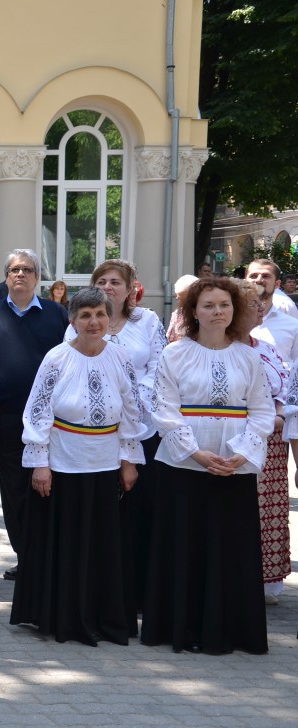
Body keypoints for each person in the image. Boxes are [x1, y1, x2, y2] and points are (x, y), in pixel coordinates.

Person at [141, 277, 273, 655]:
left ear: (234, 310)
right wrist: (196, 453)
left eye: (224, 305)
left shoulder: (249, 356)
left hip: (234, 468)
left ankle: (228, 630)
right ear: (193, 311)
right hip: (184, 468)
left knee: (229, 550)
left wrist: (243, 454)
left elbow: (262, 410)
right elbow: (164, 409)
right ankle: (181, 628)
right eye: (209, 305)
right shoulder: (175, 354)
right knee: (186, 547)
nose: (218, 312)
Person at [13, 287, 145, 646]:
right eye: (85, 315)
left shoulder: (120, 357)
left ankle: (104, 616)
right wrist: (40, 464)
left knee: (104, 543)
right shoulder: (56, 358)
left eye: (100, 315)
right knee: (69, 543)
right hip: (64, 461)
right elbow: (37, 412)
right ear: (72, 320)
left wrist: (129, 459)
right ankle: (66, 618)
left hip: (106, 462)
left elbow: (132, 408)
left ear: (109, 319)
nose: (93, 322)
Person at [68, 260, 166, 617]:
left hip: (142, 427)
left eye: (115, 282)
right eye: (101, 281)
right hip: (96, 433)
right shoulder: (85, 320)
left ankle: (136, 595)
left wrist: (136, 402)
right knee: (100, 515)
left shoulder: (148, 321)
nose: (108, 287)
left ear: (130, 289)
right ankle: (97, 593)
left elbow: (159, 367)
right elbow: (73, 369)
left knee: (139, 514)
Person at [0, 249, 69, 579]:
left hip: (50, 421)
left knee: (45, 489)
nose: (20, 275)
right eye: (14, 269)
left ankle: (45, 557)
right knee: (12, 492)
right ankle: (25, 556)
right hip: (6, 420)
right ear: (6, 276)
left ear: (38, 277)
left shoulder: (57, 315)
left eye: (27, 269)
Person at [234, 280, 290, 605]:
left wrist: (279, 414)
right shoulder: (222, 350)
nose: (259, 310)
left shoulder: (265, 347)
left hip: (271, 443)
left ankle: (264, 577)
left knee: (268, 514)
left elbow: (281, 389)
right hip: (238, 439)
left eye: (259, 305)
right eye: (252, 305)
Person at [247, 258, 298, 366]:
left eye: (266, 276)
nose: (258, 280)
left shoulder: (293, 326)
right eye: (253, 276)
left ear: (277, 284)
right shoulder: (229, 322)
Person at [166, 274, 199, 343]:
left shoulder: (206, 314)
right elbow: (170, 340)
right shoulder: (177, 314)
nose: (182, 304)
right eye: (179, 299)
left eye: (186, 301)